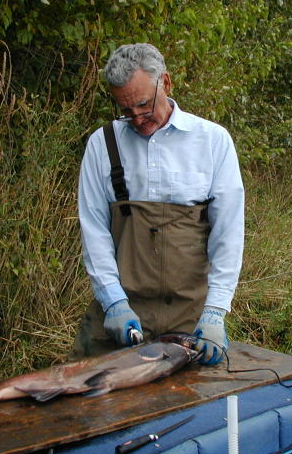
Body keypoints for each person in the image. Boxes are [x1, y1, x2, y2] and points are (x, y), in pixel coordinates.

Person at [72, 43, 244, 365]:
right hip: (120, 314)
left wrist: (215, 313)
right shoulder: (102, 143)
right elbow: (94, 230)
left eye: (143, 106)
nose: (137, 119)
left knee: (191, 410)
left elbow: (228, 236)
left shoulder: (213, 141)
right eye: (126, 111)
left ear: (165, 83)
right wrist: (113, 303)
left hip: (190, 321)